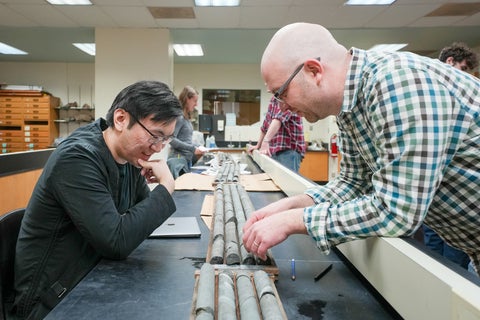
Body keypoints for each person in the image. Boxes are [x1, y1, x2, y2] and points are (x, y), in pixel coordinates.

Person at [242, 22, 480, 277]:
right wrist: (291, 206)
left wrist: (296, 221)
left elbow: (397, 211)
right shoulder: (348, 108)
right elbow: (354, 183)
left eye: (281, 93)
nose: (282, 108)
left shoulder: (398, 84)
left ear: (314, 71)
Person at [11, 80, 183, 319]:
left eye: (165, 139)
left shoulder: (128, 155)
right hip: (54, 301)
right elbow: (117, 240)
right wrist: (166, 187)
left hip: (91, 279)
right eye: (155, 136)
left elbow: (140, 217)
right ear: (121, 119)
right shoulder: (77, 159)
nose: (158, 148)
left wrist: (153, 192)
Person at [421, 42, 479, 270]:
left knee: (454, 257)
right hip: (435, 192)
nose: (465, 76)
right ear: (449, 62)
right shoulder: (433, 94)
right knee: (433, 249)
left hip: (457, 197)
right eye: (463, 68)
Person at [248, 96, 306, 172]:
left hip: (289, 151)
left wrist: (265, 142)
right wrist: (258, 145)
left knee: (287, 182)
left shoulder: (289, 97)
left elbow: (278, 119)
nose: (266, 84)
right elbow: (265, 125)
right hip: (274, 150)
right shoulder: (273, 99)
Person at [167, 86, 205, 178]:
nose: (196, 104)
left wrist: (196, 147)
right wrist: (192, 149)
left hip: (185, 160)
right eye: (195, 101)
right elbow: (171, 139)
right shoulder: (179, 117)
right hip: (178, 161)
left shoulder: (185, 117)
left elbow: (185, 139)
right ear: (187, 99)